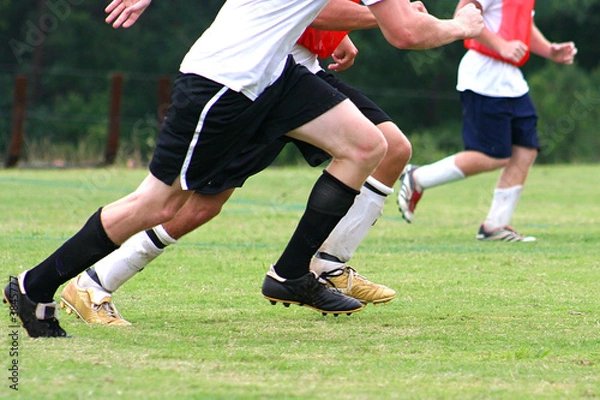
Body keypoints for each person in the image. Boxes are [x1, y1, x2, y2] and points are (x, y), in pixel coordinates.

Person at [4, 0, 483, 338]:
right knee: (159, 203)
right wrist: (463, 24)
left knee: (367, 145)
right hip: (225, 81)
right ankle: (36, 285)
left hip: (275, 74)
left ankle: (293, 273)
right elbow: (408, 32)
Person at [397, 0, 577, 242]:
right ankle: (418, 177)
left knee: (525, 150)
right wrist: (501, 45)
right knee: (493, 155)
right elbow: (463, 15)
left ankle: (495, 226)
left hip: (511, 80)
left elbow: (524, 26)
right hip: (483, 77)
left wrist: (548, 50)